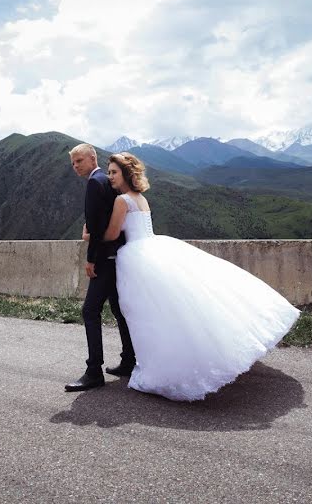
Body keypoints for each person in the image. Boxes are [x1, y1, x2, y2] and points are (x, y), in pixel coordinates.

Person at [101, 152, 301, 401]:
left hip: (136, 256)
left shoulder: (122, 201)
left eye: (113, 172)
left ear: (125, 173)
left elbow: (110, 235)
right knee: (168, 312)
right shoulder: (141, 198)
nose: (109, 176)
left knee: (146, 315)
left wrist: (89, 232)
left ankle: (161, 366)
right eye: (109, 172)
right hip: (155, 247)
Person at [64, 144, 136, 392]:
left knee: (90, 311)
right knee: (118, 309)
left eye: (79, 161)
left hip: (104, 259)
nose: (76, 166)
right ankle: (129, 360)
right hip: (118, 257)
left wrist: (91, 259)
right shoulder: (108, 182)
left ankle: (94, 371)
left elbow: (95, 227)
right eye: (73, 163)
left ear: (92, 158)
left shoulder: (95, 183)